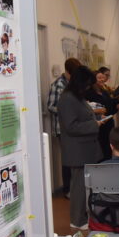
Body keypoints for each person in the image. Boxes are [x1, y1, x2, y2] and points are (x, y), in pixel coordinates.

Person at [58, 66, 111, 228]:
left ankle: (83, 216)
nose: (88, 87)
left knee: (84, 186)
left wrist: (96, 118)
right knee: (78, 187)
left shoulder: (77, 96)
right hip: (77, 150)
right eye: (87, 84)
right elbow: (71, 126)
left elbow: (82, 116)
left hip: (86, 147)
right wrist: (94, 124)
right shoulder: (67, 98)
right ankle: (77, 220)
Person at [47, 58, 81, 198]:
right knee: (67, 160)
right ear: (67, 71)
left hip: (74, 126)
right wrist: (66, 110)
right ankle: (67, 190)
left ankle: (75, 188)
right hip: (62, 129)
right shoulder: (58, 85)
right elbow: (50, 106)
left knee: (75, 159)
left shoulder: (72, 85)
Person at [86, 66, 118, 160]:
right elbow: (85, 110)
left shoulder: (104, 92)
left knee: (109, 152)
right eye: (99, 78)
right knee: (100, 153)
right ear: (93, 80)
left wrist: (117, 106)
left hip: (108, 125)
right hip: (98, 127)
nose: (102, 79)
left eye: (103, 77)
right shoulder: (88, 93)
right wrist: (97, 111)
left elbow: (110, 109)